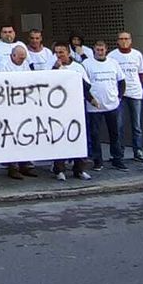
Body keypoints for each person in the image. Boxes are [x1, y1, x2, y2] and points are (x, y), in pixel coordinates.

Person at [50, 43, 95, 182]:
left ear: (68, 53)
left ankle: (79, 169)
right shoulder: (53, 66)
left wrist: (91, 99)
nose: (59, 55)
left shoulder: (78, 67)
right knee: (60, 138)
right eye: (57, 52)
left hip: (77, 107)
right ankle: (59, 169)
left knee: (80, 137)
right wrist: (55, 69)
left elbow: (86, 86)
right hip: (59, 109)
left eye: (61, 52)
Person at [0, 42, 37, 180]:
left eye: (24, 58)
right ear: (13, 56)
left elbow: (30, 79)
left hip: (24, 103)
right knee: (12, 135)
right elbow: (2, 82)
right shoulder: (3, 64)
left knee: (26, 133)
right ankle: (13, 167)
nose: (22, 60)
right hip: (9, 104)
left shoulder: (25, 64)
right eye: (20, 58)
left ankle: (26, 165)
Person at [83, 40, 127, 171]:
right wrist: (90, 99)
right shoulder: (87, 64)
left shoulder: (113, 63)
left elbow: (122, 81)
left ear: (106, 49)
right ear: (94, 50)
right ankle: (98, 161)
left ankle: (117, 159)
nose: (100, 52)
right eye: (97, 50)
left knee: (115, 133)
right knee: (95, 134)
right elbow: (83, 84)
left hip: (112, 105)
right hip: (94, 106)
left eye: (102, 49)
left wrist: (119, 97)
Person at [112, 31, 143, 162]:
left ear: (131, 40)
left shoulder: (137, 55)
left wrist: (137, 86)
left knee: (136, 125)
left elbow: (141, 73)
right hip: (120, 95)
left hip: (135, 93)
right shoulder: (112, 56)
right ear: (117, 41)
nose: (124, 41)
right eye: (121, 39)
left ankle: (138, 151)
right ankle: (119, 152)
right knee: (119, 125)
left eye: (126, 38)